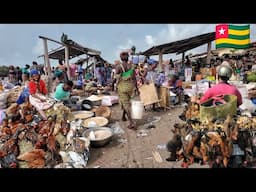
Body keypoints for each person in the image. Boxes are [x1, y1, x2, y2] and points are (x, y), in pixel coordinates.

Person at [115, 51, 136, 130]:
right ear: (128, 57)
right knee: (126, 102)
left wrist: (113, 85)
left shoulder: (119, 67)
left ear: (120, 58)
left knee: (126, 104)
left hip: (122, 87)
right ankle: (123, 116)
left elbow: (116, 78)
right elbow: (134, 78)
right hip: (130, 87)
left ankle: (131, 122)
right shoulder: (131, 66)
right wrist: (136, 88)